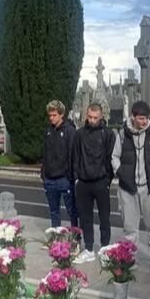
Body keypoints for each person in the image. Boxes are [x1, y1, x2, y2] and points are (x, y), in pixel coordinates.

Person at [112, 100, 150, 280]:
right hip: (128, 188)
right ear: (133, 117)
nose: (144, 121)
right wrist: (120, 172)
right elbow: (114, 156)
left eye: (145, 118)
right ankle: (129, 259)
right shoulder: (123, 134)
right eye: (140, 118)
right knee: (130, 228)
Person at [72, 102, 114, 262]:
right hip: (83, 181)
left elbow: (110, 157)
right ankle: (88, 248)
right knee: (85, 217)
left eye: (95, 117)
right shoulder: (79, 134)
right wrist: (77, 177)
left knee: (105, 217)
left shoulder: (108, 134)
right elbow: (75, 156)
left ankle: (104, 248)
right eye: (89, 117)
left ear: (101, 117)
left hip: (101, 181)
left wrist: (107, 179)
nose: (92, 120)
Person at [41, 100, 78, 228]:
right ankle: (55, 239)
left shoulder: (70, 131)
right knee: (54, 212)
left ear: (61, 114)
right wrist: (44, 175)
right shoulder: (48, 132)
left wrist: (71, 177)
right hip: (49, 179)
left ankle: (75, 239)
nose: (51, 118)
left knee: (72, 211)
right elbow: (45, 154)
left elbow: (73, 155)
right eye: (50, 115)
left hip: (64, 179)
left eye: (54, 115)